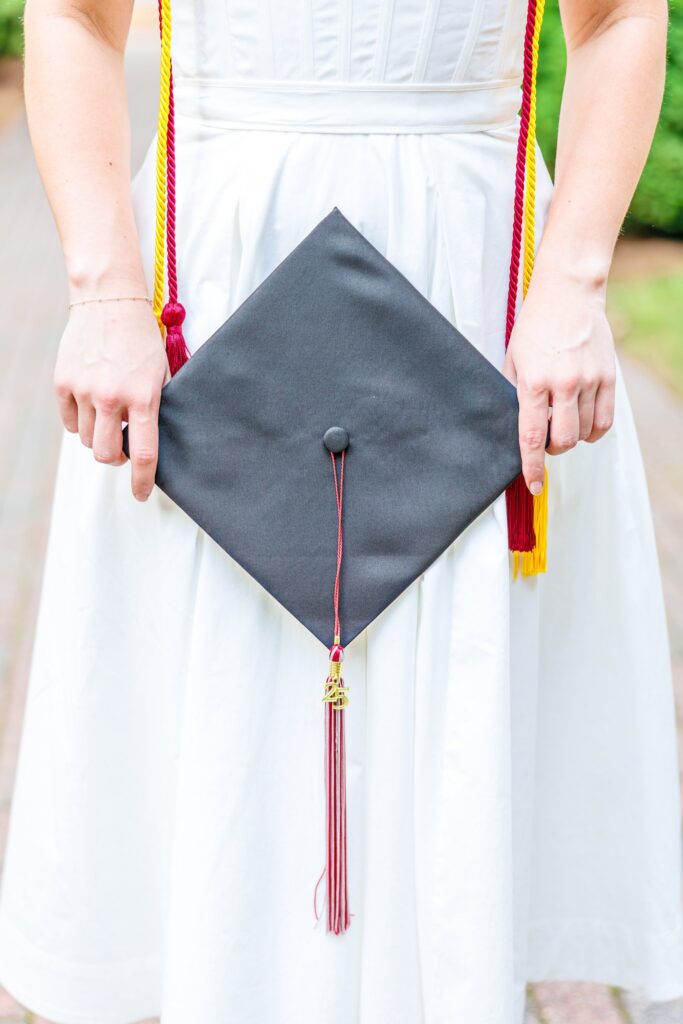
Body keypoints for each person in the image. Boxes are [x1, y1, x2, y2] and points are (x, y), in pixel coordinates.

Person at [0, 0, 680, 1021]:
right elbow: (75, 16)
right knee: (224, 714)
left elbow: (618, 16)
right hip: (219, 288)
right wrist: (103, 294)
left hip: (472, 294)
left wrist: (573, 282)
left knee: (454, 728)